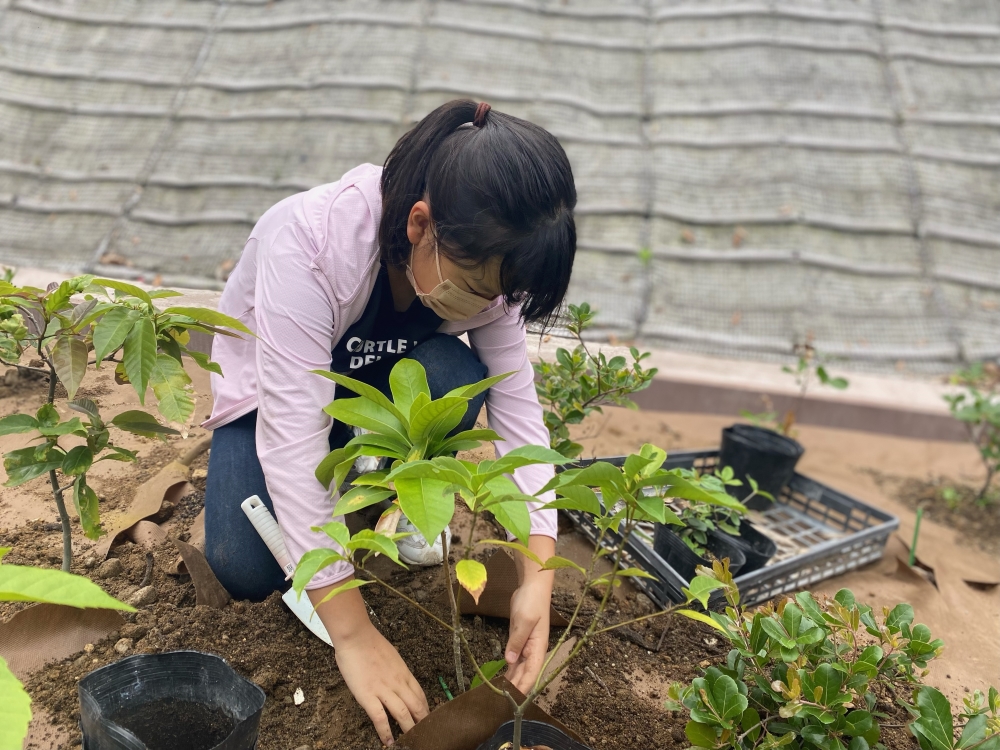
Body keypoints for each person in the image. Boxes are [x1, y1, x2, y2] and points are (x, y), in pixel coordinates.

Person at [201, 99, 577, 746]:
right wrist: (354, 634)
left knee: (456, 379)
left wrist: (536, 577)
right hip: (275, 404)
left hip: (382, 409)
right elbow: (292, 442)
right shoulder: (311, 244)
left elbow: (520, 417)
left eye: (503, 293)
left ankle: (384, 502)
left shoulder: (487, 265)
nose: (493, 305)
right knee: (242, 565)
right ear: (420, 224)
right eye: (480, 287)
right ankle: (355, 506)